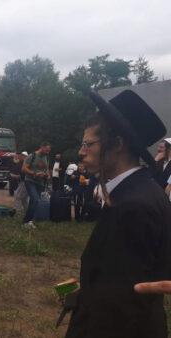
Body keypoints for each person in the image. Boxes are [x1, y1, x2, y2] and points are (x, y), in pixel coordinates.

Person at [64, 90, 171, 338]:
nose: (81, 152)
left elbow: (119, 307)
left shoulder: (133, 206)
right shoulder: (138, 191)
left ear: (118, 144)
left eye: (88, 144)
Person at [21, 142, 51, 229]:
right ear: (42, 146)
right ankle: (25, 221)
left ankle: (28, 221)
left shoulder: (46, 157)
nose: (47, 152)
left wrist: (47, 175)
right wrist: (34, 173)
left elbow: (46, 170)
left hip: (40, 183)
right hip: (30, 181)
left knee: (33, 201)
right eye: (46, 150)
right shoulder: (32, 156)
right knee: (35, 199)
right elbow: (23, 168)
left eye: (49, 151)